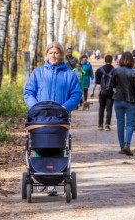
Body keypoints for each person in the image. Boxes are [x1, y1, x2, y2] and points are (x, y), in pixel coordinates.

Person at [23, 41, 82, 195]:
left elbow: (76, 94)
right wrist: (35, 106)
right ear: (46, 55)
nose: (53, 55)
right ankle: (40, 176)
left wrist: (65, 107)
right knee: (40, 144)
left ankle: (53, 182)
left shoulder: (69, 74)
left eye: (56, 53)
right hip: (40, 118)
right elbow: (28, 92)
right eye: (51, 53)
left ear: (61, 55)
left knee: (57, 146)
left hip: (59, 117)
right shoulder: (38, 73)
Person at [111, 52, 135, 156]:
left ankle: (121, 147)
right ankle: (127, 145)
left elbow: (113, 85)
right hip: (130, 101)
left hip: (118, 100)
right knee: (130, 124)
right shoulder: (134, 72)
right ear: (131, 61)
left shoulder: (115, 71)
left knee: (120, 123)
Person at [91, 55, 115, 131]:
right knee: (109, 108)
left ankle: (100, 124)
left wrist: (92, 91)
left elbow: (95, 82)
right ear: (111, 61)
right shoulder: (115, 71)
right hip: (111, 92)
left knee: (101, 108)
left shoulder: (99, 70)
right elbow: (117, 84)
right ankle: (107, 125)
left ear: (105, 60)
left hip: (102, 92)